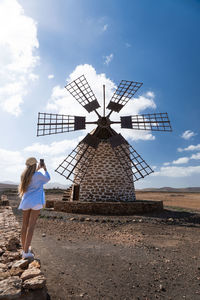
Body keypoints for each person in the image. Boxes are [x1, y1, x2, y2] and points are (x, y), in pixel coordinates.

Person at [18, 157, 50, 259]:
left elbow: (32, 176)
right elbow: (48, 178)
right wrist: (44, 168)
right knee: (31, 227)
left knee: (24, 226)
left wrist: (37, 170)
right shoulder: (39, 175)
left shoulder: (24, 175)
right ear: (35, 165)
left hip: (26, 202)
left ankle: (24, 249)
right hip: (36, 202)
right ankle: (26, 252)